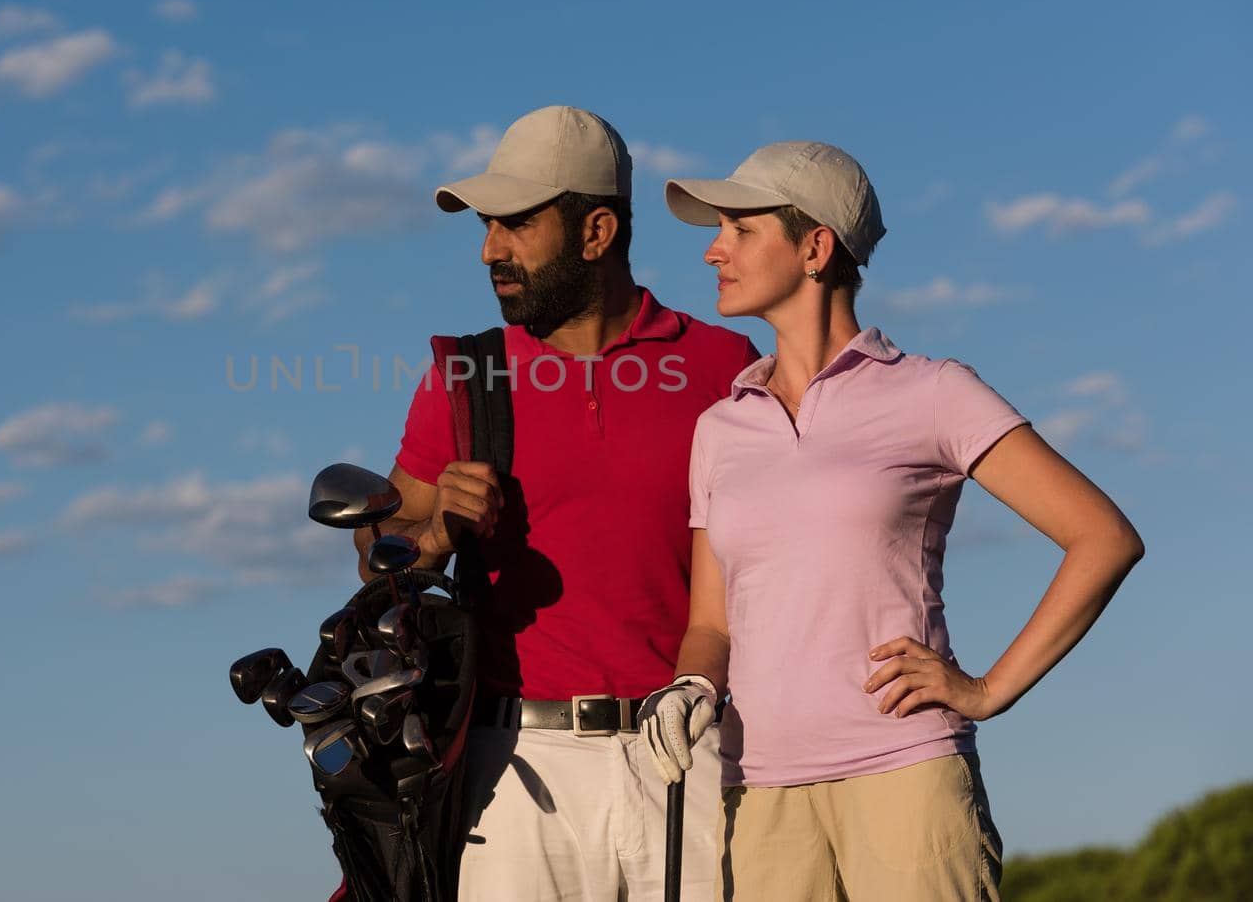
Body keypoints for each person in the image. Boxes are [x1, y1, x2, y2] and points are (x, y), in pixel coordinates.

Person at [635, 141, 1145, 901]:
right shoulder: (721, 427)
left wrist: (986, 690)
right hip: (759, 789)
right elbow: (713, 623)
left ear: (815, 247)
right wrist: (690, 687)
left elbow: (1103, 538)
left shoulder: (934, 393)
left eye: (741, 230)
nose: (714, 250)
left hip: (905, 776)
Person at [356, 105, 758, 900]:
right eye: (486, 227)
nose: (489, 251)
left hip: (691, 753)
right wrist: (432, 533)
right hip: (514, 773)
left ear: (597, 231)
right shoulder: (467, 378)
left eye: (515, 225)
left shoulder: (726, 366)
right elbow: (377, 548)